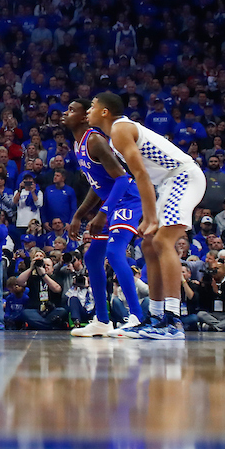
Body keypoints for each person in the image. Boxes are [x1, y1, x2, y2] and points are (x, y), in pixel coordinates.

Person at [90, 91, 206, 340]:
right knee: (149, 244)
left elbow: (141, 175)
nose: (88, 110)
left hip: (183, 176)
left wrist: (150, 217)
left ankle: (173, 321)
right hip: (168, 183)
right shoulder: (114, 138)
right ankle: (154, 318)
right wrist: (149, 216)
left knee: (163, 241)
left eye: (92, 106)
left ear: (104, 112)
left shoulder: (121, 129)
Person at [63, 98, 146, 338]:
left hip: (128, 198)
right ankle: (102, 320)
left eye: (71, 110)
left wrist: (103, 212)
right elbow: (98, 184)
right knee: (92, 257)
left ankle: (137, 317)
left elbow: (120, 179)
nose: (64, 113)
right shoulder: (77, 144)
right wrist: (79, 214)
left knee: (114, 252)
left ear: (82, 118)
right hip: (111, 201)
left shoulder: (95, 140)